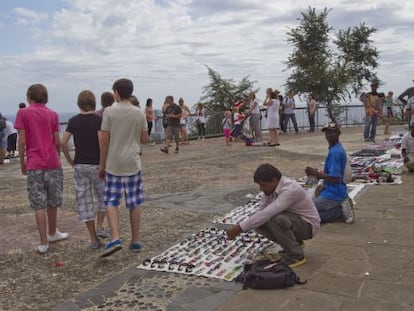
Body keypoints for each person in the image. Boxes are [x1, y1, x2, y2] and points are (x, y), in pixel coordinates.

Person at [226, 163, 320, 268]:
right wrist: (245, 225)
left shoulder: (290, 189)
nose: (261, 188)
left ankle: (296, 255)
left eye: (263, 185)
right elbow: (261, 211)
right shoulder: (270, 190)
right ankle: (294, 244)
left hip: (308, 226)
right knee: (259, 223)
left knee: (277, 220)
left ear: (274, 180)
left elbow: (268, 213)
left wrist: (239, 228)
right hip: (294, 221)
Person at [14, 84, 69, 254]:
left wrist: (22, 161)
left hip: (34, 164)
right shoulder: (53, 114)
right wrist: (57, 157)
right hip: (52, 162)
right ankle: (53, 232)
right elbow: (57, 141)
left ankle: (43, 242)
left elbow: (22, 141)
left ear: (29, 97)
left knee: (39, 204)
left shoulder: (23, 113)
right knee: (53, 201)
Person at [99, 78, 149, 257]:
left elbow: (104, 140)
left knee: (111, 200)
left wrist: (102, 164)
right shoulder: (139, 113)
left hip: (114, 163)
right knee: (134, 203)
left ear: (117, 92)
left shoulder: (109, 112)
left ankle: (115, 237)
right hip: (133, 163)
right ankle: (135, 241)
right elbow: (145, 139)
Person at [61, 90, 108, 250]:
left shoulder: (74, 121)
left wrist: (70, 160)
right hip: (96, 164)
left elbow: (63, 142)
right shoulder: (99, 120)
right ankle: (100, 225)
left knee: (85, 201)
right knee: (105, 196)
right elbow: (103, 142)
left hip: (80, 165)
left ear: (79, 104)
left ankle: (93, 239)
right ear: (94, 103)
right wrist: (103, 164)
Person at [305, 121, 355, 224]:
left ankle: (339, 212)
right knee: (309, 211)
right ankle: (339, 206)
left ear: (338, 133)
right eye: (327, 133)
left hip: (333, 194)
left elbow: (335, 179)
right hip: (333, 191)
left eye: (332, 133)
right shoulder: (335, 148)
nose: (328, 135)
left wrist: (317, 174)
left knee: (307, 214)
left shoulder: (335, 152)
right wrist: (317, 173)